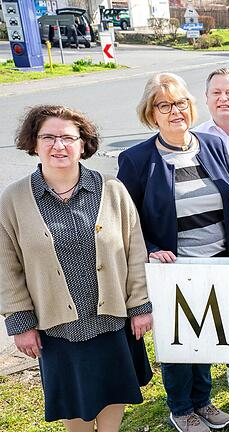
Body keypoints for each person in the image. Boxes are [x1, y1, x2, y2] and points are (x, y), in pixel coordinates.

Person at [0, 105, 153, 432]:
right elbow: (6, 267)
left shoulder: (111, 190)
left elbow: (135, 251)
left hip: (113, 320)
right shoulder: (13, 201)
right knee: (75, 406)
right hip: (57, 328)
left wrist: (140, 306)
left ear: (83, 144)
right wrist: (20, 322)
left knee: (115, 392)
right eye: (49, 137)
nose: (59, 146)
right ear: (34, 144)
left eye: (68, 138)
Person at [117, 73, 229, 432]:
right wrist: (152, 249)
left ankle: (203, 399)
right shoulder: (137, 160)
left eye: (181, 103)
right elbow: (127, 220)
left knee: (206, 335)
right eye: (165, 105)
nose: (175, 112)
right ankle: (181, 407)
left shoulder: (211, 145)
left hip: (216, 262)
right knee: (178, 339)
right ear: (151, 113)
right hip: (173, 268)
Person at [191, 67, 229, 390]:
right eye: (217, 93)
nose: (223, 98)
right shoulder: (196, 140)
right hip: (215, 231)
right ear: (207, 99)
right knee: (221, 300)